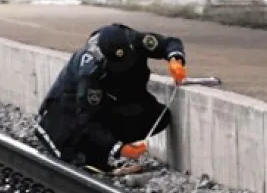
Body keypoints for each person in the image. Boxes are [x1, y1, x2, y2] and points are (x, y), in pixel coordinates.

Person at [34, 24, 188, 176]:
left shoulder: (134, 40)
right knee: (76, 145)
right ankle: (90, 156)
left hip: (111, 101)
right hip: (66, 117)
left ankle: (99, 150)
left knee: (159, 116)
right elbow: (87, 119)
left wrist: (175, 60)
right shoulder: (91, 72)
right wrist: (118, 148)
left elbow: (169, 43)